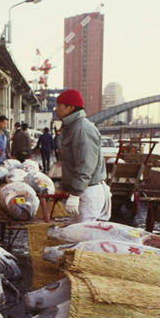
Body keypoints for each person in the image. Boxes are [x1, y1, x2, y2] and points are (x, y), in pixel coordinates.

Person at [54, 88, 110, 222]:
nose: (56, 109)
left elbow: (85, 165)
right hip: (82, 191)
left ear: (70, 108)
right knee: (76, 235)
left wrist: (75, 194)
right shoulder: (72, 127)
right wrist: (66, 187)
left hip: (88, 192)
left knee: (85, 238)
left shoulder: (82, 129)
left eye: (59, 105)